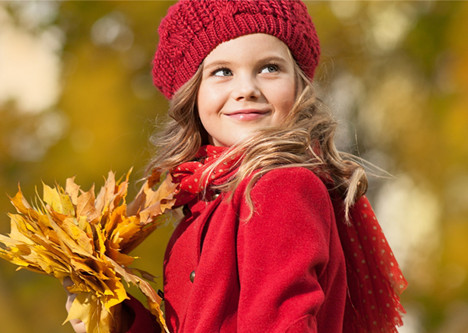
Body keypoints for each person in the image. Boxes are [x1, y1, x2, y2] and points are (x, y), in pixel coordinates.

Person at [66, 1, 407, 332]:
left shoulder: (281, 188)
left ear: (299, 84)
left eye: (270, 68)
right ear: (192, 93)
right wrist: (120, 320)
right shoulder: (202, 202)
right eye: (222, 72)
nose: (246, 89)